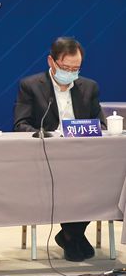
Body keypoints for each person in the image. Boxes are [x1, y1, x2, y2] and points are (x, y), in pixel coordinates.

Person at [13, 37, 106, 261]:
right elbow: (21, 125)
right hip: (48, 158)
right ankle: (72, 236)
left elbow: (101, 125)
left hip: (84, 158)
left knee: (101, 182)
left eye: (76, 69)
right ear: (51, 62)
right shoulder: (31, 86)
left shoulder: (89, 87)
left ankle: (70, 235)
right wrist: (50, 136)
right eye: (66, 68)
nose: (71, 73)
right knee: (71, 182)